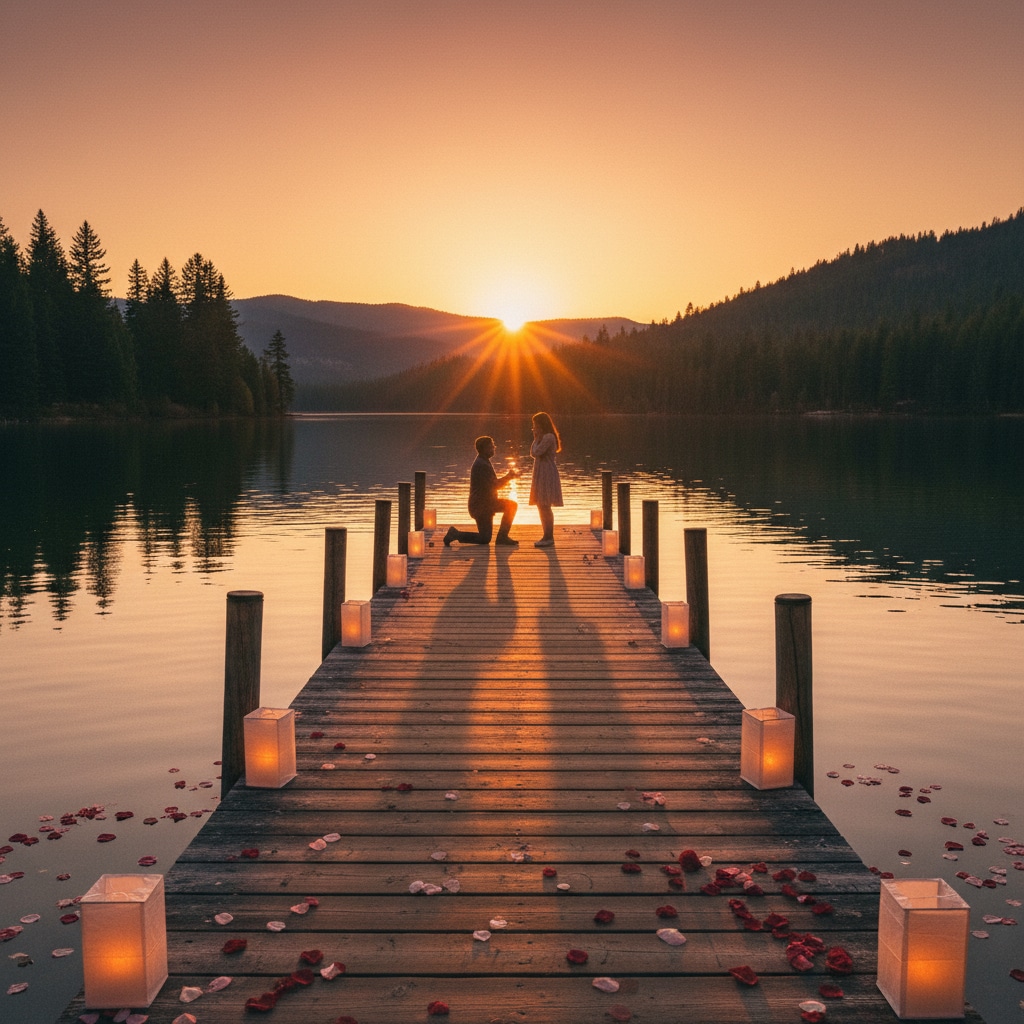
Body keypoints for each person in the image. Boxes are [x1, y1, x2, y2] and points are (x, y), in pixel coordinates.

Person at [444, 435, 520, 547]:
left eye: (493, 445)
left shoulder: (483, 461)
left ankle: (455, 534)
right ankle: (502, 537)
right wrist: (508, 477)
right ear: (484, 449)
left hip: (485, 504)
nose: (494, 447)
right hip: (481, 506)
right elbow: (495, 485)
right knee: (511, 506)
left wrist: (508, 478)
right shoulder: (482, 465)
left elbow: (492, 485)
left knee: (485, 538)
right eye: (491, 446)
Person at [529, 411, 563, 547]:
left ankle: (548, 537)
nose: (534, 427)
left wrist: (536, 438)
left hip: (546, 473)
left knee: (545, 505)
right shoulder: (542, 437)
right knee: (541, 505)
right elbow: (532, 453)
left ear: (541, 424)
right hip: (540, 472)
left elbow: (536, 452)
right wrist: (536, 438)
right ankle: (546, 536)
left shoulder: (548, 437)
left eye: (535, 424)